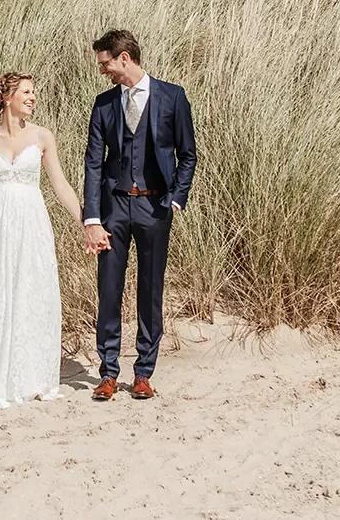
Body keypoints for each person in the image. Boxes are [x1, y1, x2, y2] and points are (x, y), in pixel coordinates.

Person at [81, 30, 198, 401]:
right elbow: (93, 164)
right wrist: (93, 218)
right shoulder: (102, 105)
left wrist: (176, 199)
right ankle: (108, 373)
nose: (103, 71)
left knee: (150, 291)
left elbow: (188, 154)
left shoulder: (173, 96)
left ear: (125, 58)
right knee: (109, 290)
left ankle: (144, 372)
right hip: (113, 206)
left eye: (106, 64)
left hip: (155, 206)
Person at [0, 72, 85, 409]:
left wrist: (85, 221)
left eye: (33, 93)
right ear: (7, 96)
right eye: (26, 92)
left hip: (31, 221)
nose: (32, 98)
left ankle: (32, 375)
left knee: (31, 289)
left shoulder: (43, 136)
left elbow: (60, 185)